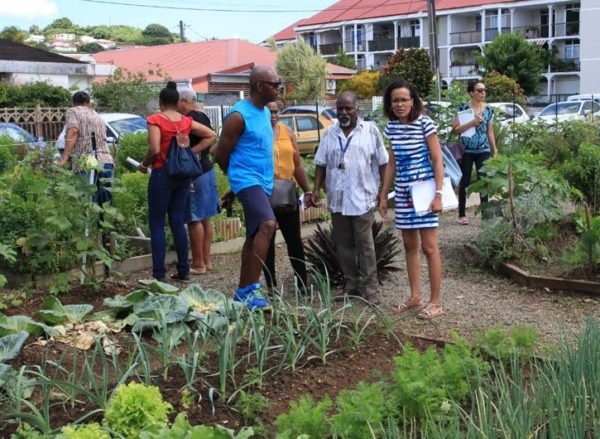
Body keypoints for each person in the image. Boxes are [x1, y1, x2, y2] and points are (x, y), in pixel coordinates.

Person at [214, 65, 281, 310]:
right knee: (267, 224)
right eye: (273, 84)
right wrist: (237, 181)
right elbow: (221, 154)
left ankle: (242, 292)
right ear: (258, 86)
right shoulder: (237, 116)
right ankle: (251, 289)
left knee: (253, 235)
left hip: (263, 182)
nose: (278, 88)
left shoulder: (263, 113)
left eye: (278, 83)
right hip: (248, 179)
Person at [311, 91, 388, 305]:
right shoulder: (329, 133)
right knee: (344, 246)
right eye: (340, 108)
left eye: (348, 108)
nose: (344, 112)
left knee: (365, 245)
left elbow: (383, 162)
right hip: (338, 200)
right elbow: (320, 163)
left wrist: (383, 193)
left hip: (362, 198)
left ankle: (370, 289)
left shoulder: (370, 131)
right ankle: (351, 285)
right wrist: (316, 190)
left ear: (357, 109)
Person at [378, 78, 445, 319]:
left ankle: (435, 302)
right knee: (409, 246)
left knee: (429, 247)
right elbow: (392, 162)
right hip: (404, 194)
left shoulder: (424, 124)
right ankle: (415, 296)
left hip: (425, 192)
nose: (399, 104)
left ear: (413, 100)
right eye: (395, 100)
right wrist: (384, 193)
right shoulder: (392, 127)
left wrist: (438, 194)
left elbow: (438, 159)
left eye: (404, 99)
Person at [138, 82, 216, 281]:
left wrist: (144, 164)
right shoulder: (185, 121)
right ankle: (183, 270)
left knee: (156, 224)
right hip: (182, 177)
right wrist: (191, 152)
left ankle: (159, 275)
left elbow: (155, 149)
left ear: (161, 102)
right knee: (177, 222)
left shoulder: (156, 119)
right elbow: (211, 135)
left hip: (162, 174)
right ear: (176, 101)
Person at [263, 101, 311, 292]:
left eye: (275, 112)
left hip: (287, 192)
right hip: (265, 193)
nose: (272, 116)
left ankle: (302, 284)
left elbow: (297, 164)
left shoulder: (288, 132)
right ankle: (271, 285)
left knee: (294, 241)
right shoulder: (257, 134)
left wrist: (307, 189)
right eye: (268, 112)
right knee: (267, 241)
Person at [177, 88, 219, 275]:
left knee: (193, 219)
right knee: (205, 218)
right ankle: (206, 261)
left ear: (185, 101)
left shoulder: (189, 120)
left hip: (195, 174)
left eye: (177, 102)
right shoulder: (203, 116)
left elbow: (210, 137)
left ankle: (198, 263)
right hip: (207, 170)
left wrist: (190, 152)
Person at [452, 80, 497, 225]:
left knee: (483, 181)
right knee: (464, 181)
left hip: (483, 150)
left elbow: (490, 132)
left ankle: (485, 215)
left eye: (485, 90)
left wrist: (493, 149)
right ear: (471, 92)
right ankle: (462, 214)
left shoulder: (489, 110)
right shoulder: (463, 108)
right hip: (466, 150)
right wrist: (472, 123)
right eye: (479, 90)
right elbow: (456, 130)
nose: (483, 92)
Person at [59, 91, 114, 204]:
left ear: (73, 103)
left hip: (88, 160)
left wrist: (64, 157)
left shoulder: (73, 111)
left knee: (89, 201)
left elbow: (73, 131)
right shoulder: (97, 115)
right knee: (105, 202)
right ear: (88, 103)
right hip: (106, 161)